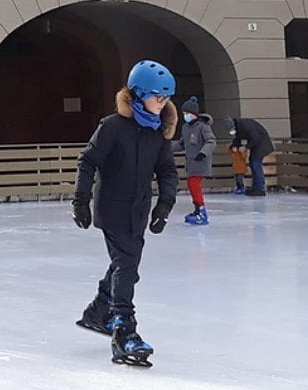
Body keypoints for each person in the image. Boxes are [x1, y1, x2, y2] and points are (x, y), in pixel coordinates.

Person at [71, 60, 179, 368]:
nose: (163, 102)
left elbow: (167, 171)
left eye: (167, 97)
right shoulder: (113, 127)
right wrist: (80, 199)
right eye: (158, 96)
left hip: (139, 211)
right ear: (139, 93)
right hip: (112, 208)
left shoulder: (157, 133)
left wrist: (164, 205)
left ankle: (97, 312)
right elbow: (87, 161)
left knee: (125, 264)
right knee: (127, 265)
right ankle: (123, 330)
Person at [178, 96, 214, 225]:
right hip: (191, 163)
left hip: (200, 162)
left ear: (194, 114)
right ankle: (197, 209)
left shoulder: (203, 127)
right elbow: (182, 144)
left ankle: (201, 211)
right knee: (191, 184)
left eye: (187, 114)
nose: (185, 116)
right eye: (184, 114)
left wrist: (203, 153)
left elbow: (211, 141)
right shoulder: (186, 128)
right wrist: (165, 146)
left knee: (193, 184)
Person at [228, 113, 273, 196]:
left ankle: (259, 188)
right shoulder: (240, 127)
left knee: (256, 164)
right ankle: (256, 187)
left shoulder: (246, 126)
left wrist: (246, 147)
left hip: (262, 145)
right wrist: (233, 146)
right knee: (253, 163)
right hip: (257, 146)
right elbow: (237, 139)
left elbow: (255, 138)